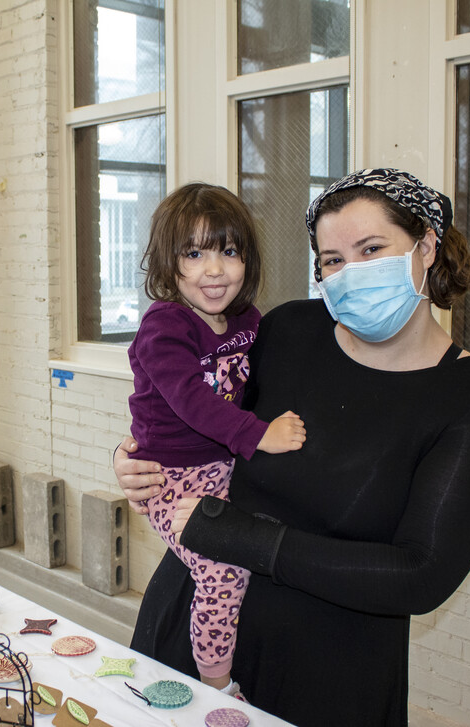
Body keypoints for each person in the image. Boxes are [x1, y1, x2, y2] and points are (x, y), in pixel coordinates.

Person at [115, 168, 470, 726]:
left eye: (372, 248)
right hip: (193, 631)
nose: (350, 272)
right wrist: (133, 456)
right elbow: (199, 411)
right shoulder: (289, 331)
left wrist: (248, 539)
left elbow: (421, 575)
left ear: (424, 246)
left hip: (330, 671)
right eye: (332, 259)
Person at [127, 182, 307, 698]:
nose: (214, 269)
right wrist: (259, 435)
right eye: (194, 252)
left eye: (229, 251)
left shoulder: (247, 322)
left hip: (221, 468)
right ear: (169, 262)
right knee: (222, 573)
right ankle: (217, 683)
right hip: (171, 478)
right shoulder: (165, 326)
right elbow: (190, 399)